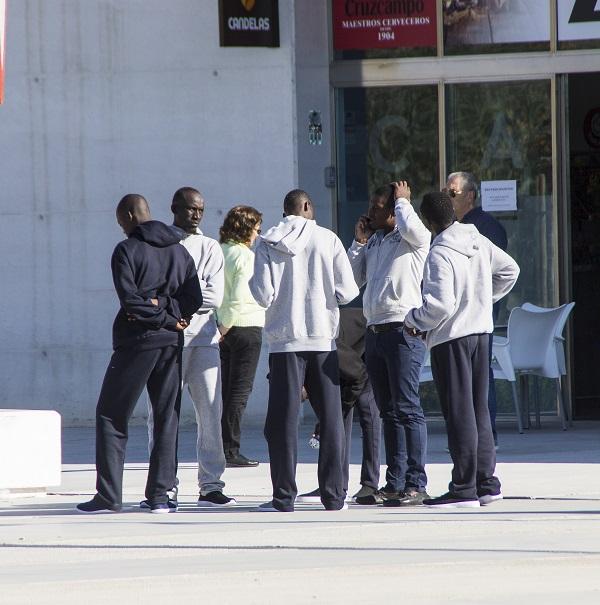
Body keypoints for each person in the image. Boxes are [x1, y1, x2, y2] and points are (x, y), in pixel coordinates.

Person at [77, 194, 202, 514]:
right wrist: (172, 316)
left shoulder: (126, 250)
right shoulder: (180, 251)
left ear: (132, 215)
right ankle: (160, 496)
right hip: (172, 341)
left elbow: (131, 304)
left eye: (121, 221)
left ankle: (108, 496)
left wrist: (156, 311)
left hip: (137, 342)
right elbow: (193, 299)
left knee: (111, 415)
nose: (121, 228)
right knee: (166, 417)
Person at [404, 191, 519, 508]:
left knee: (459, 414)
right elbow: (511, 270)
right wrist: (483, 300)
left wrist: (414, 320)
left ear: (428, 222)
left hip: (451, 338)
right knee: (479, 409)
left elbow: (441, 305)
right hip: (481, 333)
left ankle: (464, 487)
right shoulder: (476, 238)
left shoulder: (439, 251)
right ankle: (487, 484)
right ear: (453, 211)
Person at [249, 189, 359, 512]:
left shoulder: (268, 242)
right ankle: (334, 496)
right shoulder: (328, 239)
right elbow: (349, 291)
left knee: (284, 421)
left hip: (285, 343)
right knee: (332, 419)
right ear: (307, 206)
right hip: (323, 341)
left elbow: (262, 295)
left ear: (285, 211)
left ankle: (284, 497)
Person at [144, 187, 236, 509]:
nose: (196, 215)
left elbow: (214, 297)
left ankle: (211, 485)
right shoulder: (159, 245)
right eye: (190, 209)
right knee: (163, 415)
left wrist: (172, 303)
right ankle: (165, 487)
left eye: (200, 210)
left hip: (204, 341)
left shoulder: (210, 247)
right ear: (174, 208)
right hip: (168, 340)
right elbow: (150, 290)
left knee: (211, 412)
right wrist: (179, 305)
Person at [348, 181, 431, 507]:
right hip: (375, 332)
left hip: (403, 332)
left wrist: (403, 201)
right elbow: (352, 281)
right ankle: (394, 482)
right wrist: (358, 243)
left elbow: (414, 227)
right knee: (389, 412)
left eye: (378, 206)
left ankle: (416, 482)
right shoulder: (377, 243)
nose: (371, 211)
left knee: (408, 409)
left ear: (394, 211)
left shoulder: (412, 239)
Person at [446, 171, 508, 448]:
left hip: (477, 317)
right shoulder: (454, 228)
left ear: (469, 196)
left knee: (480, 374)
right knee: (464, 378)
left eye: (453, 193)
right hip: (461, 315)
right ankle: (470, 437)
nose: (447, 198)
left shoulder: (484, 227)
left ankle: (486, 437)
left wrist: (485, 298)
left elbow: (505, 270)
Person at [297, 307, 382, 505]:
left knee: (368, 412)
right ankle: (335, 482)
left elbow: (358, 375)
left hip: (364, 355)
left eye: (302, 396)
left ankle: (370, 483)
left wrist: (337, 411)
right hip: (346, 360)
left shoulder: (326, 342)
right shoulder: (306, 354)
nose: (303, 399)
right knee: (337, 419)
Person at [217, 205, 265, 468]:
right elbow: (237, 297)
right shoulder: (245, 257)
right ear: (246, 229)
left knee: (225, 391)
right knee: (239, 392)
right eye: (257, 229)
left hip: (225, 329)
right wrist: (224, 326)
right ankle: (231, 450)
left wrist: (221, 327)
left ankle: (223, 447)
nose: (258, 235)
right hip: (245, 327)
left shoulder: (220, 251)